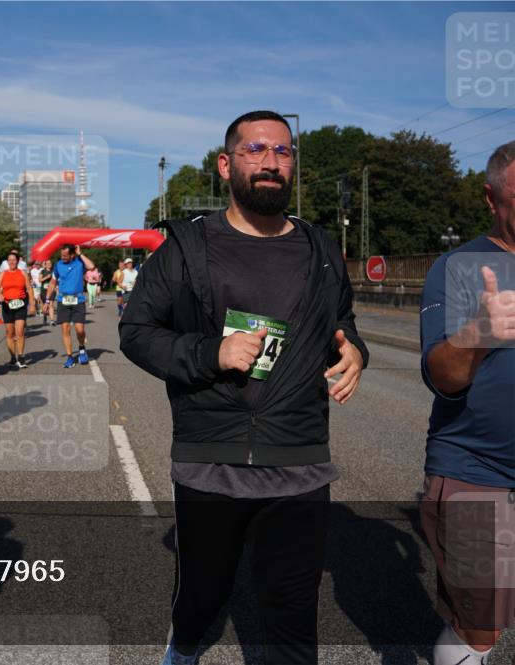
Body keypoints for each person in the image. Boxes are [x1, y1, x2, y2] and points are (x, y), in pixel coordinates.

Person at [119, 110, 367, 665]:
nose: (271, 163)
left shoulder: (321, 247)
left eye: (282, 152)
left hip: (300, 458)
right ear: (226, 164)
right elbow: (136, 333)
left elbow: (341, 320)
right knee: (203, 598)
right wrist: (210, 353)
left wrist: (353, 349)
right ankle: (182, 648)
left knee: (292, 617)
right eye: (256, 150)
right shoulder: (185, 247)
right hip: (212, 459)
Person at [418, 140, 515, 665]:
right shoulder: (459, 268)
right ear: (491, 197)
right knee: (481, 632)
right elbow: (442, 377)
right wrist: (479, 332)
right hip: (477, 474)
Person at [47, 244, 96, 368]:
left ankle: (81, 348)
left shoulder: (79, 263)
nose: (62, 257)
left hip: (78, 300)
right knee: (65, 329)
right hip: (63, 300)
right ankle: (70, 357)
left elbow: (91, 266)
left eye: (65, 255)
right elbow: (53, 283)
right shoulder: (58, 265)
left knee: (80, 330)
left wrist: (80, 254)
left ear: (72, 255)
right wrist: (47, 301)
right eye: (61, 255)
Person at [0, 250, 36, 368]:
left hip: (21, 304)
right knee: (9, 332)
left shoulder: (22, 273)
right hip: (7, 305)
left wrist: (32, 304)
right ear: (7, 262)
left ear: (18, 261)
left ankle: (21, 357)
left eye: (14, 260)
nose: (12, 262)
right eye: (10, 260)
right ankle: (13, 357)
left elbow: (29, 288)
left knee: (20, 331)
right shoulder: (3, 274)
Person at [39, 259, 54, 326]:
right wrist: (46, 277)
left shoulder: (53, 271)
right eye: (47, 263)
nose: (49, 264)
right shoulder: (42, 271)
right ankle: (45, 317)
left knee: (51, 304)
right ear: (45, 265)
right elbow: (40, 280)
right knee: (45, 306)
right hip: (44, 291)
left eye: (50, 263)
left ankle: (52, 320)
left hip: (52, 290)